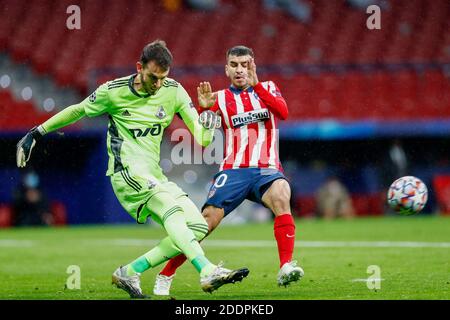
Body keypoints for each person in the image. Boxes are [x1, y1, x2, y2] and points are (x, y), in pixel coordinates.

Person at [16, 40, 249, 298]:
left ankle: (130, 271)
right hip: (126, 172)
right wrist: (36, 133)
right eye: (153, 77)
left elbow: (204, 139)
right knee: (170, 210)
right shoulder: (113, 92)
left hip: (154, 175)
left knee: (197, 227)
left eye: (163, 78)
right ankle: (206, 269)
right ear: (139, 67)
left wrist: (207, 114)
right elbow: (78, 111)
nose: (157, 84)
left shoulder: (173, 91)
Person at [153, 45, 304, 296]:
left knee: (281, 194)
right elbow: (203, 133)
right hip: (233, 171)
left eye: (244, 64)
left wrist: (256, 85)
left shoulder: (267, 88)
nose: (239, 69)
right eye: (234, 65)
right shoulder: (220, 98)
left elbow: (283, 113)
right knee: (206, 223)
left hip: (266, 168)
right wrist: (203, 110)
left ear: (252, 65)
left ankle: (285, 265)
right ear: (227, 68)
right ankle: (166, 273)